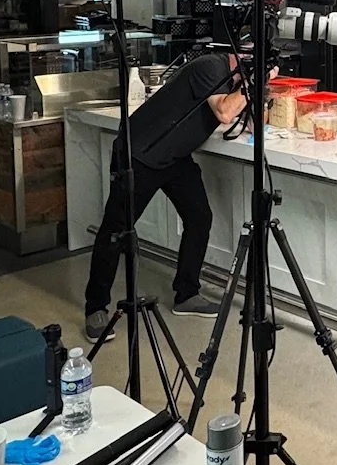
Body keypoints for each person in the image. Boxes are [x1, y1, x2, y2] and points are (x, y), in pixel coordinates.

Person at [84, 49, 247, 333]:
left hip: (175, 157)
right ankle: (96, 307)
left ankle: (187, 294)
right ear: (239, 53)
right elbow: (224, 111)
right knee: (116, 230)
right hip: (140, 154)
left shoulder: (234, 78)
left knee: (199, 217)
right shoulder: (211, 67)